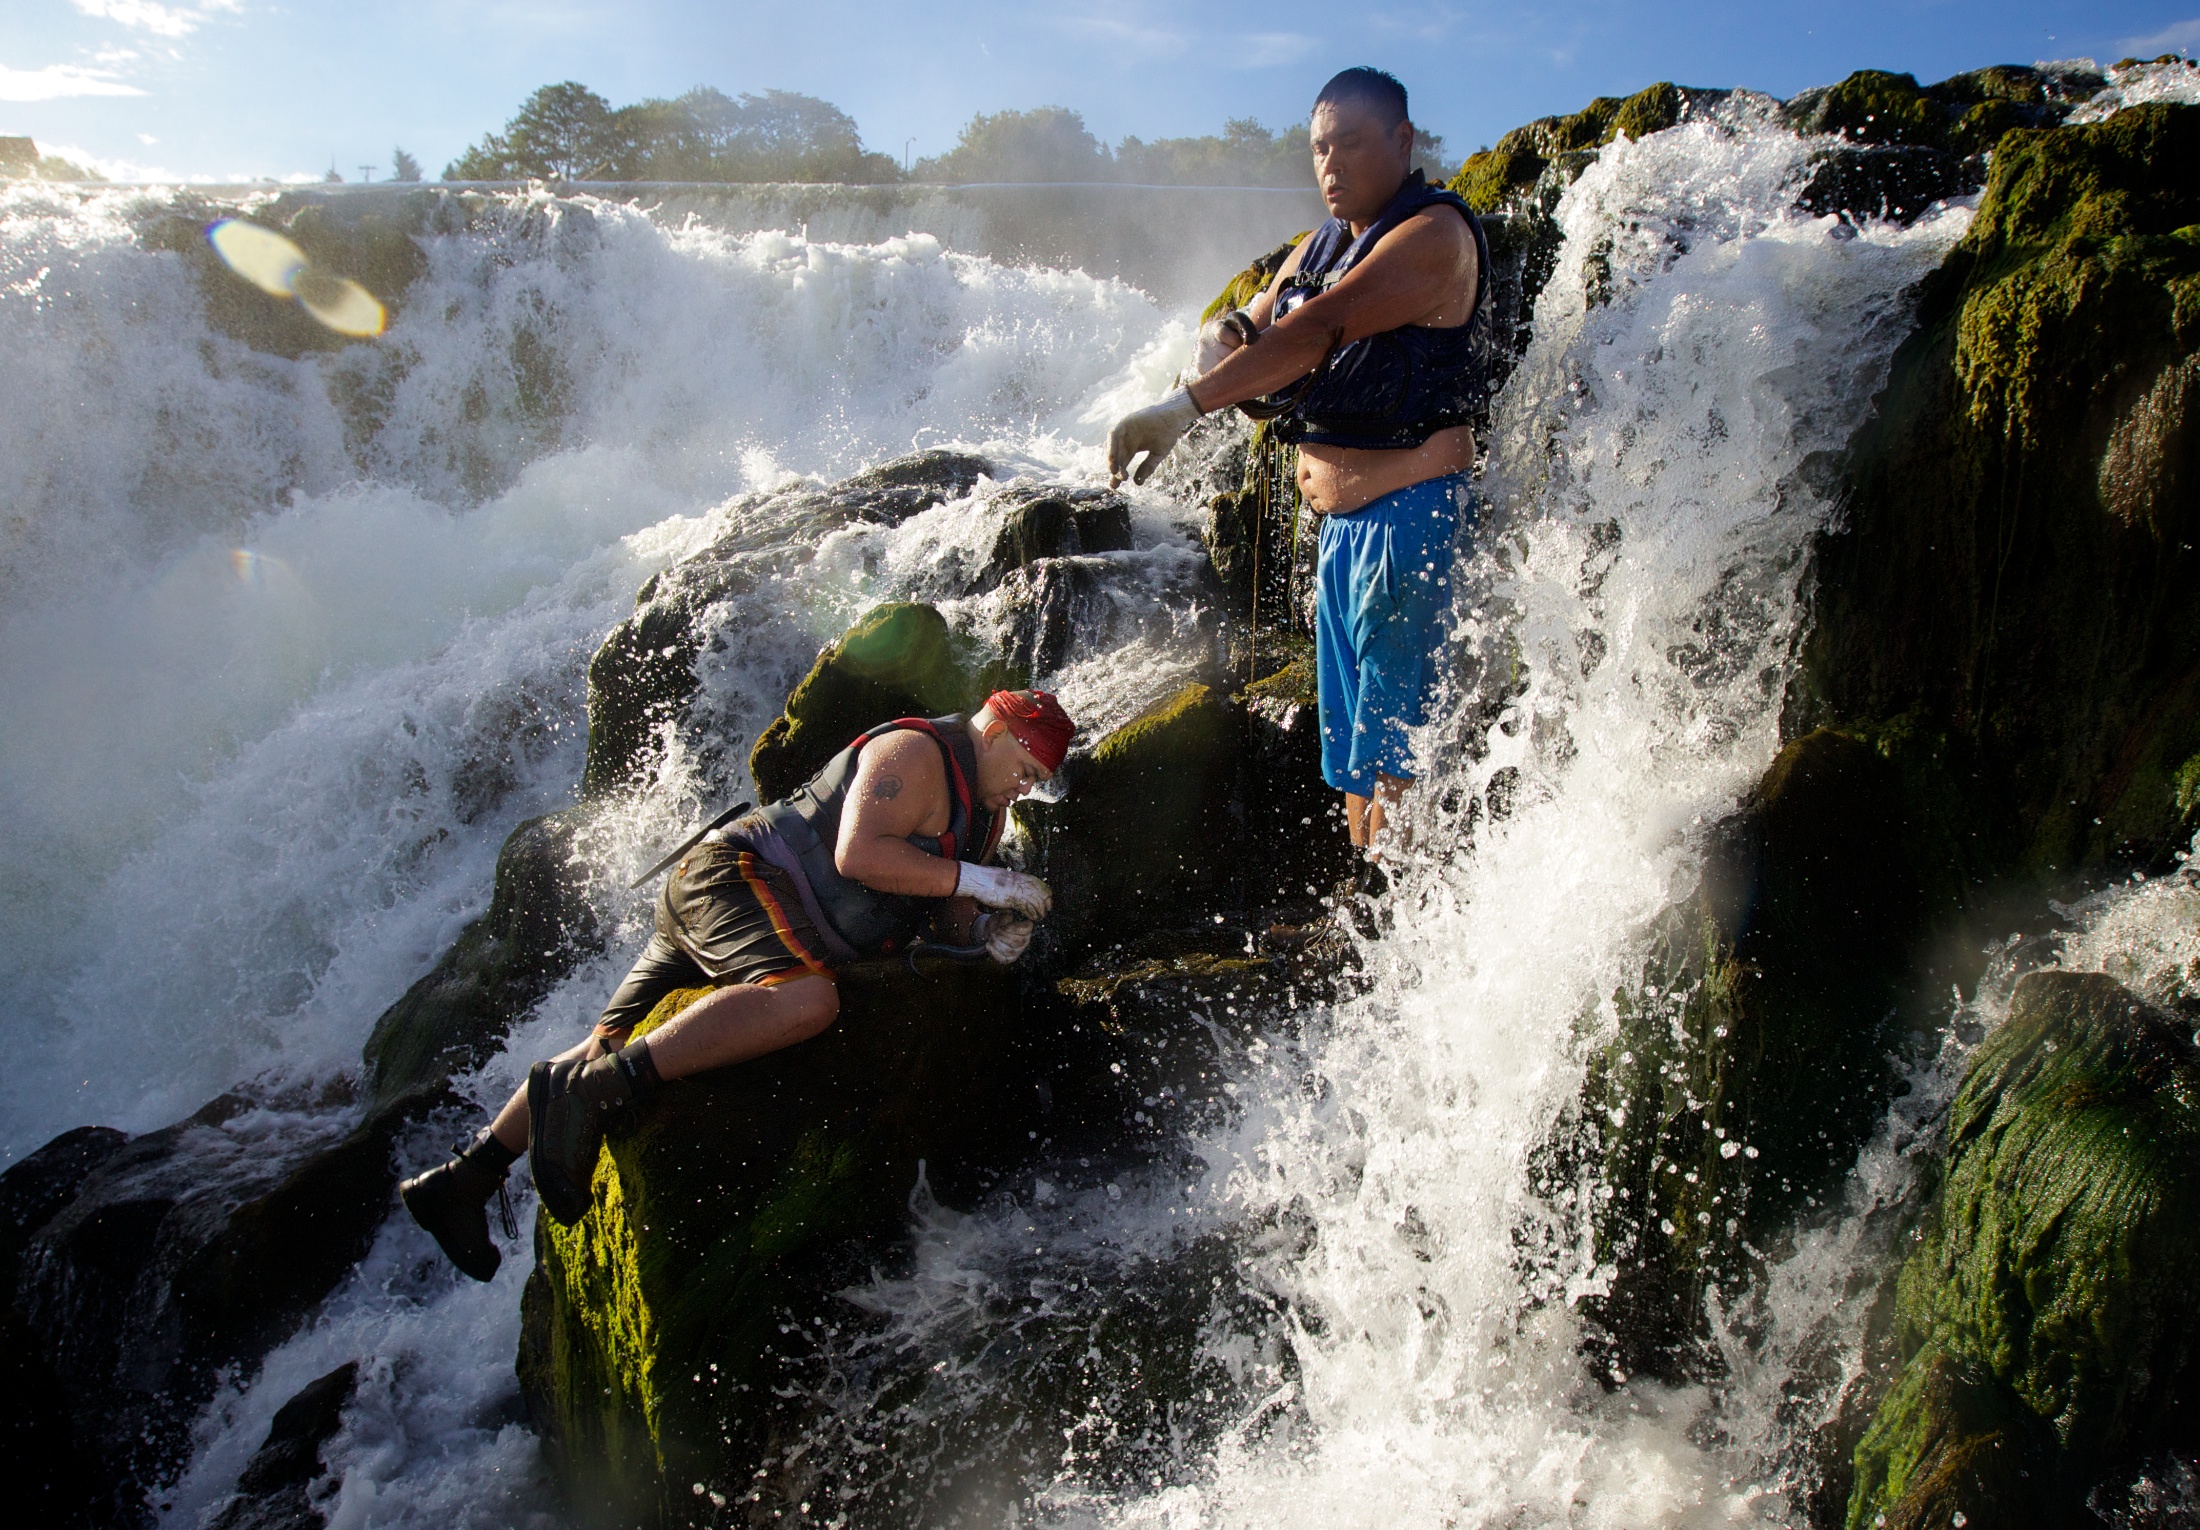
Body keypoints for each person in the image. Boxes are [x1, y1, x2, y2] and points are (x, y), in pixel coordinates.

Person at [400, 689, 1078, 1281]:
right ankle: (597, 1095)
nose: (1023, 788)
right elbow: (859, 854)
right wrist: (978, 880)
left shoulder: (984, 814)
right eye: (1023, 769)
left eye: (1036, 780)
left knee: (604, 1039)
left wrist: (982, 933)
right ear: (992, 731)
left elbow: (943, 904)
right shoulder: (914, 754)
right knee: (808, 1001)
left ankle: (465, 1179)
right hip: (738, 879)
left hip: (738, 904)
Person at [1107, 66, 1490, 860]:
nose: (1331, 164)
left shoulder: (1432, 236)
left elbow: (1313, 333)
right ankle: (1364, 913)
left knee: (1399, 759)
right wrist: (1221, 343)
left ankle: (1396, 923)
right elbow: (1251, 328)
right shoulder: (1317, 247)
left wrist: (1182, 409)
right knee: (1356, 752)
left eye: (1350, 143)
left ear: (1402, 141)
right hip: (1344, 536)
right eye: (1319, 148)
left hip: (1407, 521)